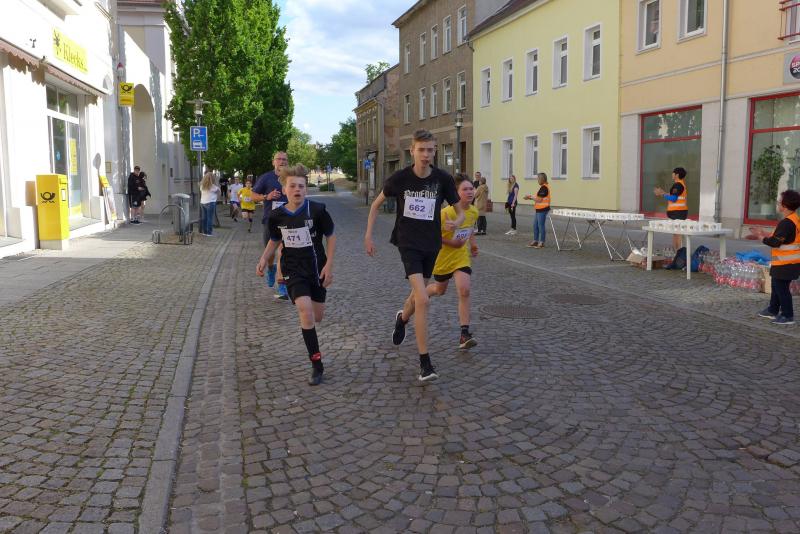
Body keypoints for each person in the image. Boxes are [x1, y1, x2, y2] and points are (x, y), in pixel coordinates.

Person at [364, 129, 464, 382]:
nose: (426, 155)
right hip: (407, 243)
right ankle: (425, 363)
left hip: (431, 244)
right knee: (423, 299)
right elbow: (375, 205)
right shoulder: (400, 178)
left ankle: (402, 318)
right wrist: (368, 236)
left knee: (416, 296)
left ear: (435, 151)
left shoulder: (442, 179)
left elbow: (460, 211)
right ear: (412, 151)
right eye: (421, 150)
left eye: (430, 150)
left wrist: (456, 221)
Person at [256, 164, 336, 385]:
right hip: (293, 269)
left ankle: (315, 357)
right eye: (292, 186)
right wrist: (264, 258)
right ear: (284, 189)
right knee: (305, 311)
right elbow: (274, 240)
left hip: (316, 268)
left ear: (306, 189)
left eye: (301, 186)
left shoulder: (318, 210)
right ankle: (316, 364)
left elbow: (331, 236)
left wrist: (329, 265)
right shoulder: (276, 216)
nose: (297, 190)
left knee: (317, 316)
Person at [428, 175, 479, 349]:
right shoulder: (445, 213)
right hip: (443, 258)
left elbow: (470, 228)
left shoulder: (474, 211)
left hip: (461, 257)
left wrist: (473, 245)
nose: (469, 192)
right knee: (439, 290)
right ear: (456, 193)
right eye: (465, 189)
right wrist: (452, 242)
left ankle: (464, 334)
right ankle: (420, 294)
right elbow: (431, 235)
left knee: (464, 290)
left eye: (471, 188)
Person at [753, 190, 800, 326]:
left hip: (786, 264)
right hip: (787, 263)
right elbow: (781, 237)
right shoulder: (793, 219)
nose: (777, 204)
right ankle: (772, 309)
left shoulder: (786, 223)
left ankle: (787, 315)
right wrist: (764, 233)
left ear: (784, 205)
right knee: (776, 285)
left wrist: (761, 237)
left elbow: (775, 242)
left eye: (779, 202)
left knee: (782, 289)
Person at [252, 152, 290, 299]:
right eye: (279, 159)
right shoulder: (266, 178)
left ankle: (281, 285)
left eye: (284, 159)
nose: (282, 161)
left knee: (283, 252)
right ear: (273, 162)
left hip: (287, 220)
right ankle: (270, 267)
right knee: (270, 253)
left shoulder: (291, 177)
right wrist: (266, 196)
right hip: (270, 220)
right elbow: (252, 196)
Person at [654, 167, 688, 250]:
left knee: (677, 233)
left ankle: (678, 252)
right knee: (676, 233)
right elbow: (672, 195)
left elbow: (673, 198)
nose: (672, 174)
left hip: (678, 213)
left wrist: (662, 194)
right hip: (678, 212)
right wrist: (662, 192)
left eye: (673, 173)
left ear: (677, 175)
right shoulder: (678, 184)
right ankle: (677, 252)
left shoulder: (678, 185)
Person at [525, 172, 551, 248]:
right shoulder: (542, 187)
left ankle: (542, 242)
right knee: (535, 225)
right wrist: (530, 197)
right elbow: (538, 198)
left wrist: (530, 197)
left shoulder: (544, 188)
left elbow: (539, 200)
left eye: (538, 179)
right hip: (539, 209)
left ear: (542, 179)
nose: (537, 180)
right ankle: (535, 241)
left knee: (540, 226)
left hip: (543, 209)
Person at [199, 172, 220, 236]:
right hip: (210, 203)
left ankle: (204, 232)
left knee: (205, 218)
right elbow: (219, 192)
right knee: (210, 218)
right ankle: (209, 233)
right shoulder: (213, 186)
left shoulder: (202, 186)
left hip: (203, 203)